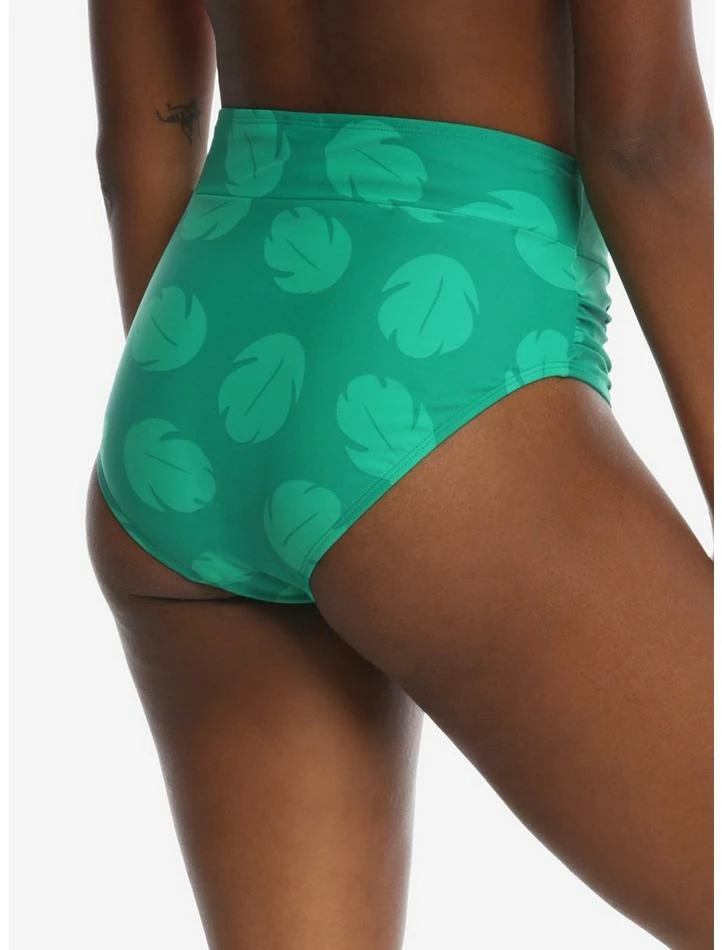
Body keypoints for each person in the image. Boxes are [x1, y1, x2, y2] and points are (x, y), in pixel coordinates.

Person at [84, 1, 713, 947]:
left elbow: (137, 143)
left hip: (190, 372)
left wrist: (223, 423)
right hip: (438, 373)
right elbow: (646, 145)